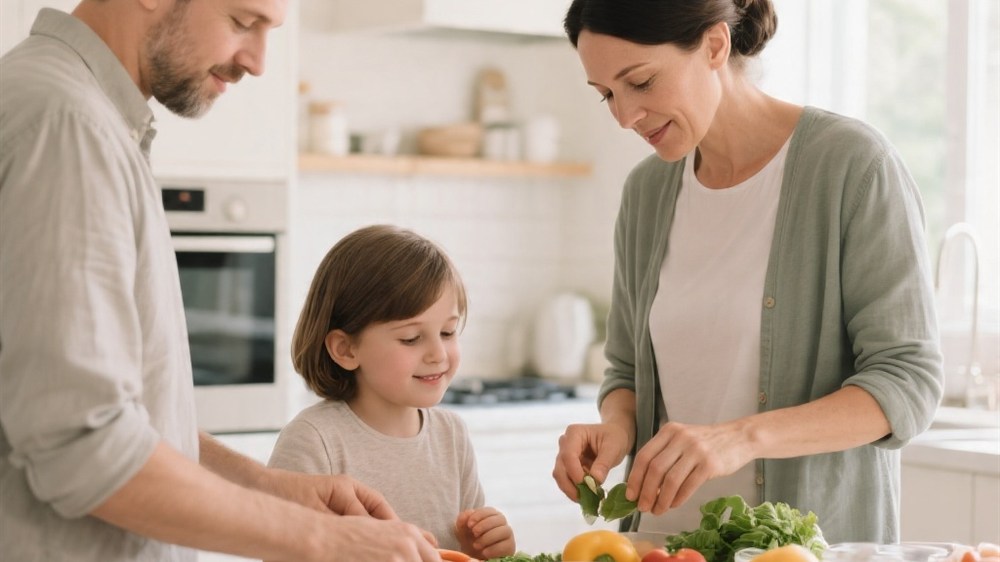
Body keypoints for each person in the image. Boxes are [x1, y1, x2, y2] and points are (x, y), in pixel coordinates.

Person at [0, 1, 440, 561]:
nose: (257, 63)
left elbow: (111, 413)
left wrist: (268, 487)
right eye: (241, 21)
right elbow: (83, 446)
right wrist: (326, 539)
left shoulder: (84, 116)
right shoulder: (67, 126)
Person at [551, 0, 943, 543]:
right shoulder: (647, 192)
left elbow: (907, 381)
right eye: (607, 95)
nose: (624, 117)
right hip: (661, 547)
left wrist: (739, 438)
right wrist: (616, 429)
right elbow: (626, 372)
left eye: (640, 82)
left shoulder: (852, 167)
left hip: (800, 550)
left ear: (715, 45)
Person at [268, 224, 517, 560]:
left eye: (447, 332)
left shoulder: (451, 435)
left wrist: (480, 549)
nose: (438, 355)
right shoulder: (314, 441)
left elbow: (458, 551)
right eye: (411, 338)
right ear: (346, 349)